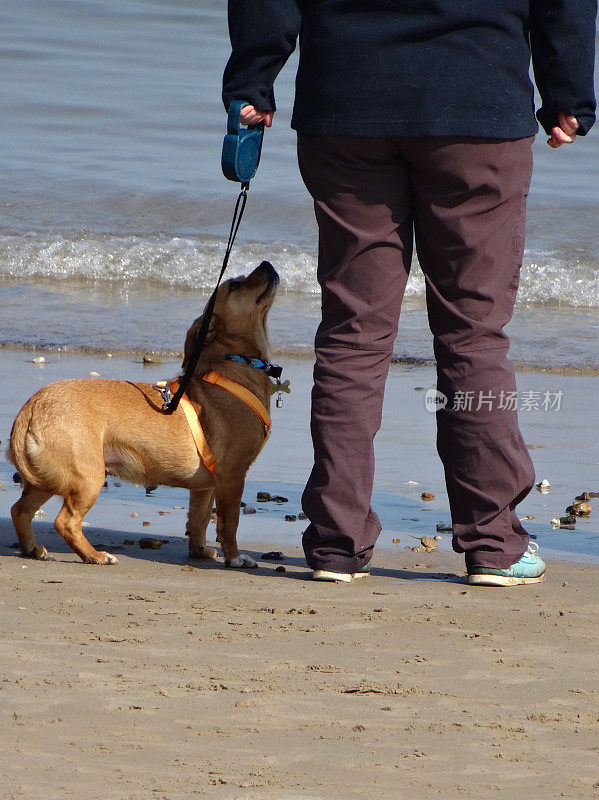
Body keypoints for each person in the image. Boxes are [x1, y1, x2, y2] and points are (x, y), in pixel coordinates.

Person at [222, 1, 596, 585]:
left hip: (347, 103)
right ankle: (493, 541)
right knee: (473, 332)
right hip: (476, 104)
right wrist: (569, 93)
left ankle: (336, 543)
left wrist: (253, 78)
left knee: (353, 332)